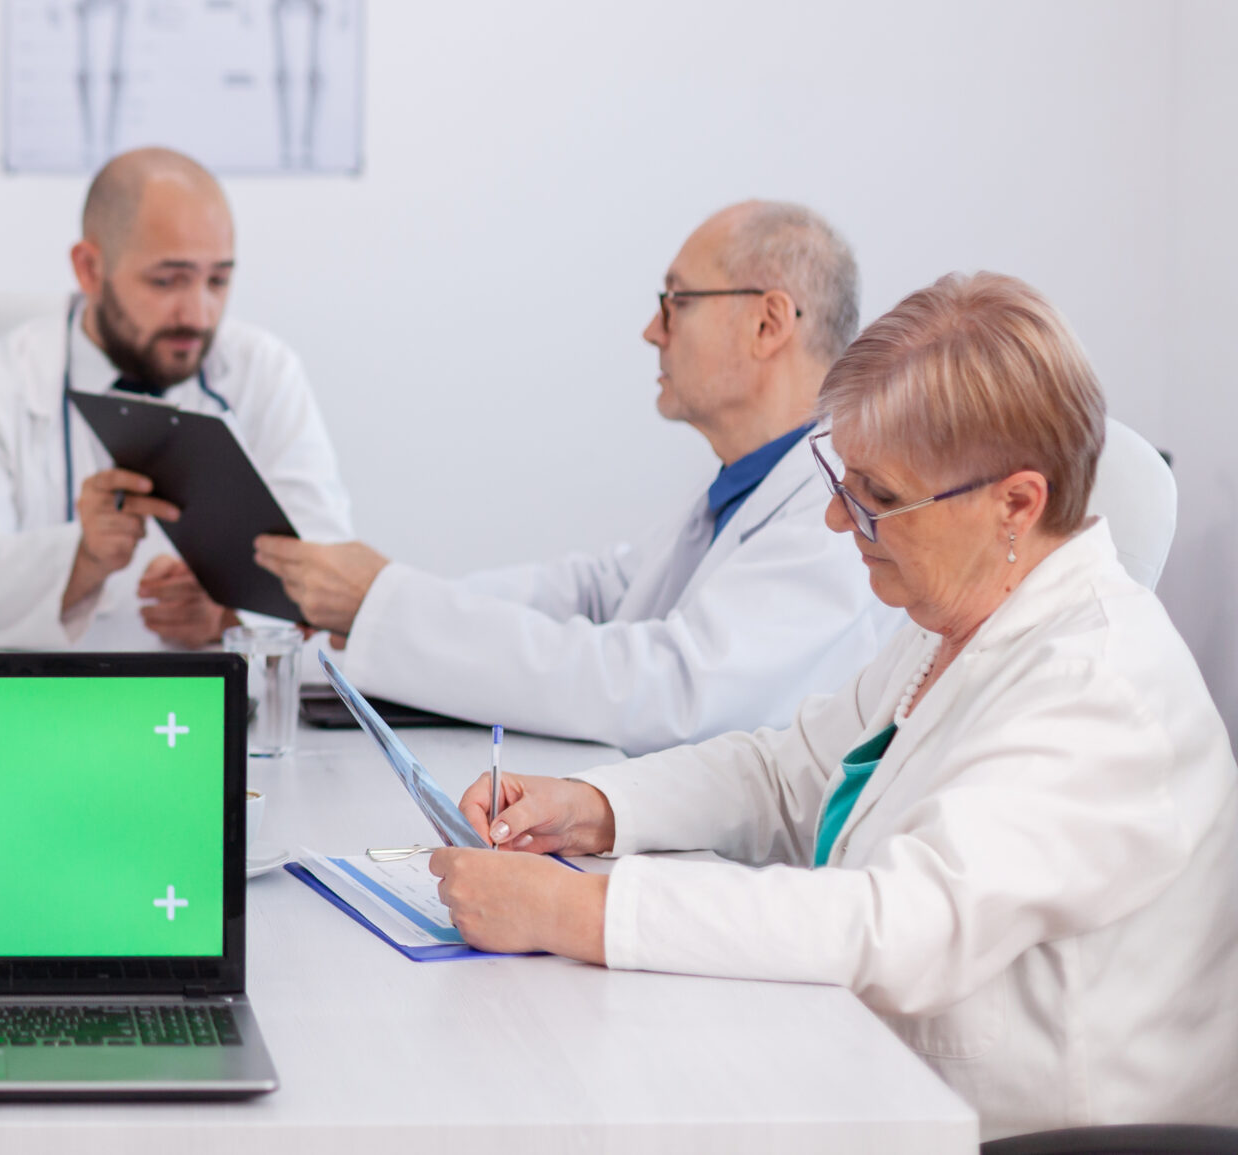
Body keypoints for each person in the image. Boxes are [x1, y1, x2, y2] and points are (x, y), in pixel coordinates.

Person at [429, 274, 1238, 1140]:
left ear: (1017, 502)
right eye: (841, 477)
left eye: (878, 497)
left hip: (1019, 1135)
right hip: (877, 1077)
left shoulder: (1098, 690)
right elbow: (788, 774)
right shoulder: (961, 619)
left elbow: (896, 925)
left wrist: (574, 912)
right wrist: (590, 807)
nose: (833, 517)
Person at [246, 200, 890, 752]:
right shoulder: (750, 486)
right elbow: (598, 591)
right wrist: (369, 599)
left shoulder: (838, 516)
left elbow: (665, 688)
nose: (651, 330)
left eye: (676, 302)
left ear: (767, 323)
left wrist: (387, 602)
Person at [0, 146, 353, 649]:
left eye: (218, 280)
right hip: (42, 707)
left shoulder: (264, 372)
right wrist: (82, 557)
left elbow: (328, 574)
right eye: (167, 281)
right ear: (90, 269)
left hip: (206, 711)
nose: (199, 315)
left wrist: (227, 615)